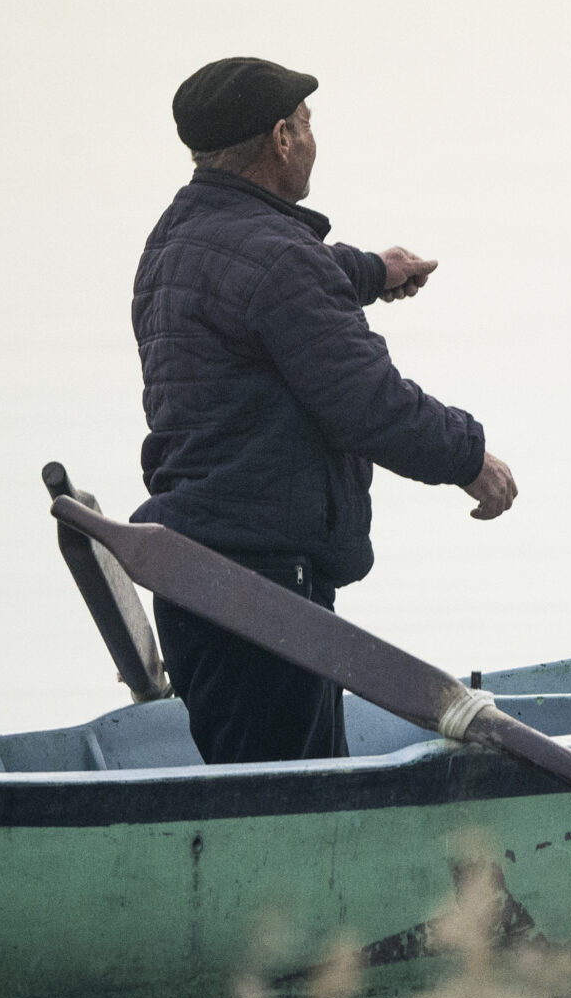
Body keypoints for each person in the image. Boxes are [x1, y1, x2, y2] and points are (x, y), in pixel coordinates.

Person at [132, 56, 517, 764]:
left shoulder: (174, 239)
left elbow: (268, 274)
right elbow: (369, 406)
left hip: (197, 581)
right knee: (285, 811)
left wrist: (373, 269)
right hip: (265, 597)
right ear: (281, 138)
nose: (312, 138)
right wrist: (471, 458)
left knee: (253, 790)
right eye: (307, 124)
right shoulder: (279, 261)